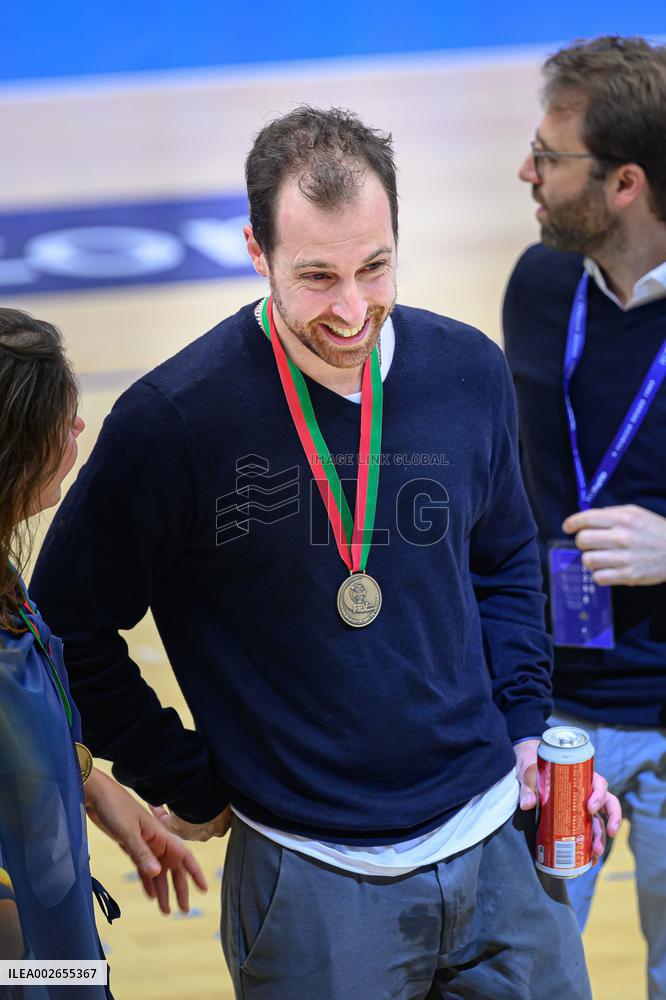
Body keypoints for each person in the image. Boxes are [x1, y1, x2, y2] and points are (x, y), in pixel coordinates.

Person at [32, 107, 620, 1000]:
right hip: (310, 878)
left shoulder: (467, 370)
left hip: (498, 845)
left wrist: (524, 724)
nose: (352, 310)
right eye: (316, 276)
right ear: (255, 252)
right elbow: (65, 624)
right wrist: (182, 776)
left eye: (375, 266)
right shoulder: (176, 422)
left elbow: (504, 562)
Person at [503, 36, 666, 1000]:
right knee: (525, 975)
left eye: (550, 158)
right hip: (554, 721)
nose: (527, 172)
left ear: (624, 184)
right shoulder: (537, 284)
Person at [0, 308, 207, 996]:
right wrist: (57, 977)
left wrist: (90, 783)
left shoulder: (6, 582)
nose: (78, 429)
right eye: (62, 418)